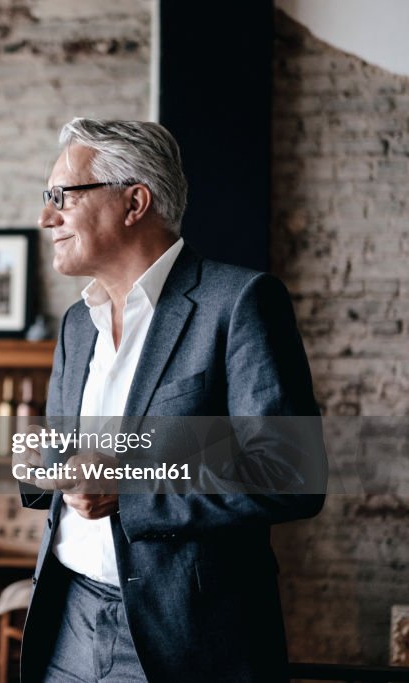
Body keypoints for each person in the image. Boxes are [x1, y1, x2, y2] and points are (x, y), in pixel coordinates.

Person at [19, 118, 324, 683]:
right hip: (64, 616)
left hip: (181, 635)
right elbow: (60, 454)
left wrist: (130, 484)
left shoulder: (239, 303)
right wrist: (37, 460)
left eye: (62, 196)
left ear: (134, 201)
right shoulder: (74, 324)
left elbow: (291, 472)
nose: (46, 217)